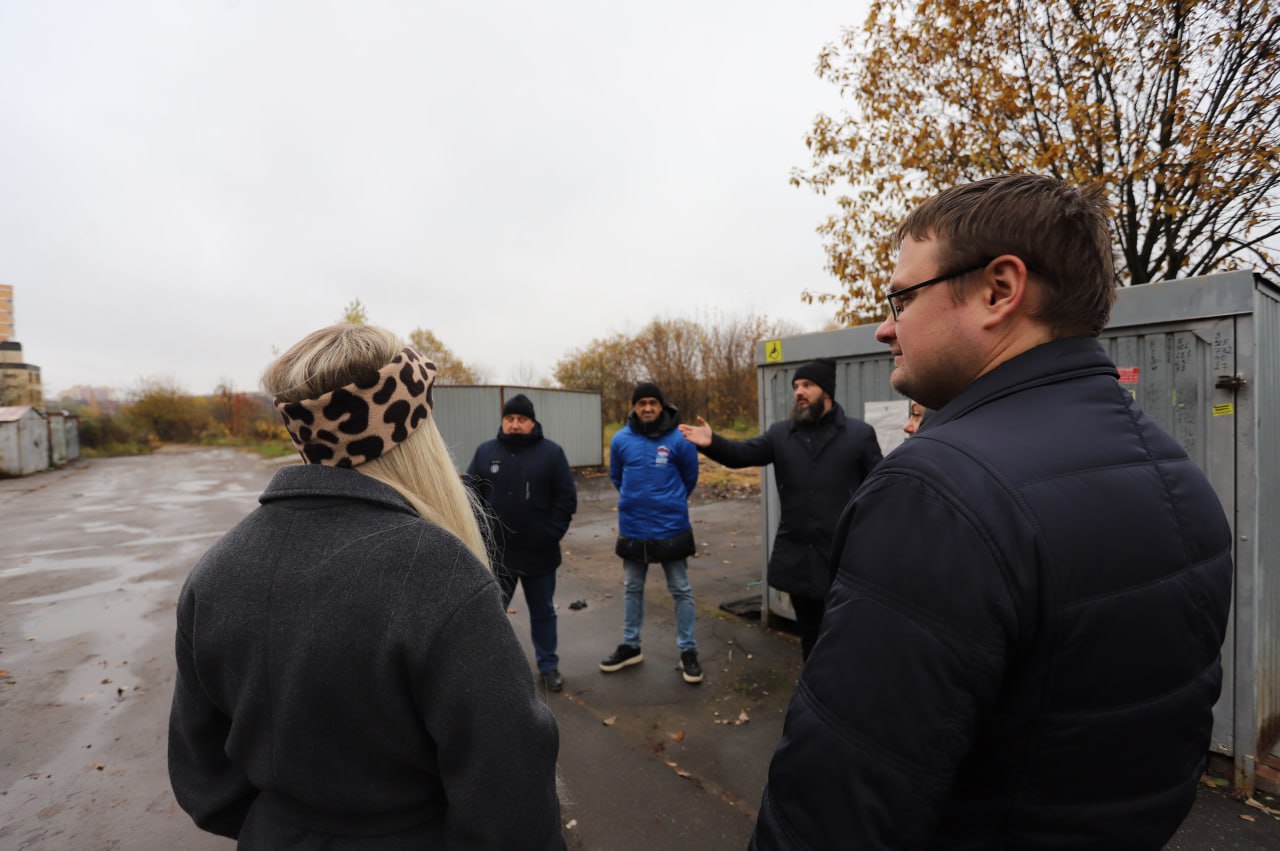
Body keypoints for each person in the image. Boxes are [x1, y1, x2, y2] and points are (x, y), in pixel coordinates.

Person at [752, 174, 1233, 849]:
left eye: (901, 296)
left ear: (999, 289)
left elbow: (834, 812)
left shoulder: (937, 492)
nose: (884, 325)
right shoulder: (1180, 479)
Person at [168, 324, 565, 849]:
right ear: (416, 434)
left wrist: (289, 826)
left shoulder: (216, 570)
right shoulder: (439, 574)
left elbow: (202, 777)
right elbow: (511, 800)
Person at [678, 359, 882, 659]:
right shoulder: (781, 434)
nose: (799, 391)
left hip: (842, 557)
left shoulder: (858, 435)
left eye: (807, 385)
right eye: (796, 386)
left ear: (827, 391)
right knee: (810, 636)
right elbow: (742, 454)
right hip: (798, 556)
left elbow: (878, 487)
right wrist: (712, 443)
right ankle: (814, 691)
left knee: (846, 635)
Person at [466, 393, 577, 694]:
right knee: (492, 614)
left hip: (540, 554)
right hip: (498, 555)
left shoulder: (552, 454)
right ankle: (493, 667)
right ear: (503, 421)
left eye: (521, 419)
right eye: (510, 419)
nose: (515, 424)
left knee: (543, 612)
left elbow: (565, 499)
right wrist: (481, 535)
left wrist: (550, 533)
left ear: (532, 422)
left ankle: (548, 666)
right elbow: (470, 497)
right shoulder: (485, 452)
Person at [599, 381, 703, 684]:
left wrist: (667, 503)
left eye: (652, 403)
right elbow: (617, 477)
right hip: (633, 529)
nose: (647, 408)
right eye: (641, 403)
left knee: (681, 590)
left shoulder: (680, 440)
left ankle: (688, 651)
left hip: (671, 528)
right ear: (634, 406)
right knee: (632, 588)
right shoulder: (620, 441)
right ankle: (631, 646)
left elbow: (690, 478)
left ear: (661, 406)